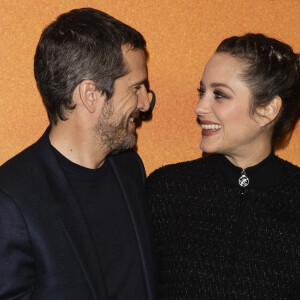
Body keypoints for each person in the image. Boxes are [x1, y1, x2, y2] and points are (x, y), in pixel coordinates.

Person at [0, 8, 157, 300]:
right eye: (135, 87)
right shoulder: (11, 200)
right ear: (90, 94)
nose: (146, 103)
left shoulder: (130, 169)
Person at [147, 33, 300, 299]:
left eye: (219, 95)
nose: (199, 107)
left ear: (267, 109)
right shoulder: (165, 189)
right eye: (201, 91)